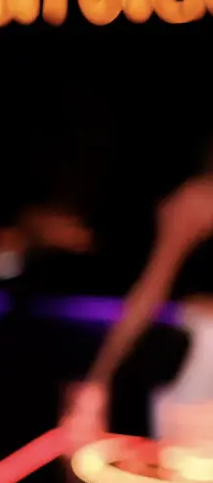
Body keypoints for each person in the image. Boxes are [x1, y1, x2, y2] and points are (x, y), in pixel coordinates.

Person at [63, 134, 213, 445]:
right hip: (202, 353)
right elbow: (151, 288)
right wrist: (100, 375)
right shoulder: (196, 201)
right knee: (187, 459)